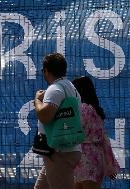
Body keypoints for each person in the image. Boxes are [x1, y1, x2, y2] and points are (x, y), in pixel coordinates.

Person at [34, 53, 82, 189]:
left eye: (43, 70)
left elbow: (45, 116)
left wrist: (37, 100)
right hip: (62, 149)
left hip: (59, 152)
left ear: (47, 71)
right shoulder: (70, 87)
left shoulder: (55, 89)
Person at [72, 76, 120, 189]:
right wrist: (110, 164)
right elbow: (104, 139)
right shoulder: (96, 111)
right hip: (95, 157)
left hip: (84, 157)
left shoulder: (82, 109)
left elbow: (73, 131)